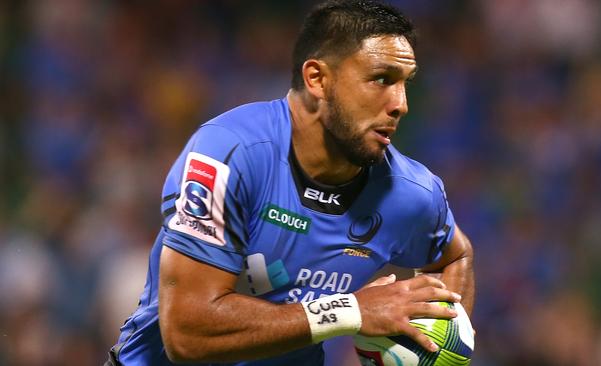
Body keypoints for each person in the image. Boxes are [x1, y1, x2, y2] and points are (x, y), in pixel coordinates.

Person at [106, 1, 475, 365]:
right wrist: (349, 311)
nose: (400, 104)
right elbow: (187, 334)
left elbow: (455, 256)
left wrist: (436, 350)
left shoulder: (412, 193)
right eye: (381, 79)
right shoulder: (230, 154)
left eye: (404, 83)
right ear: (317, 78)